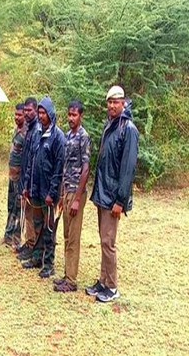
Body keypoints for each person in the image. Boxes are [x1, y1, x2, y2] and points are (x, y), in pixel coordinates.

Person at [85, 86, 139, 303]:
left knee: (109, 242)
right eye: (109, 102)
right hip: (103, 194)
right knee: (103, 240)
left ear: (124, 103)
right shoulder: (111, 126)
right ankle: (103, 281)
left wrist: (120, 201)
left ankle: (113, 287)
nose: (112, 105)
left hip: (114, 197)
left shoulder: (129, 129)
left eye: (116, 102)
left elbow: (127, 169)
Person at [22, 96, 65, 278]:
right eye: (39, 112)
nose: (40, 116)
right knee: (37, 225)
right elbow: (31, 161)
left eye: (43, 112)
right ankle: (37, 257)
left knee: (49, 229)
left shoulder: (58, 137)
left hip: (49, 192)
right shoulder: (37, 133)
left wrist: (52, 192)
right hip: (36, 189)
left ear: (51, 114)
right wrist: (27, 186)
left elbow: (59, 168)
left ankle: (49, 264)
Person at [54, 100, 92, 293]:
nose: (71, 118)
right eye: (69, 114)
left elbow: (86, 169)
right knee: (67, 235)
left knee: (74, 237)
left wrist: (77, 198)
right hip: (66, 190)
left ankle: (72, 280)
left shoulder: (84, 137)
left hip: (77, 191)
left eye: (74, 115)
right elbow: (65, 166)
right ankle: (67, 274)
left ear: (80, 116)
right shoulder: (68, 135)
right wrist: (62, 194)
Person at [17, 97, 42, 262]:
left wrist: (28, 183)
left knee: (33, 216)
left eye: (29, 110)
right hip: (25, 177)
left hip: (33, 181)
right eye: (24, 110)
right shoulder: (29, 128)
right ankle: (29, 241)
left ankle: (33, 245)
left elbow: (35, 159)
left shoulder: (37, 130)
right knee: (27, 214)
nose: (26, 113)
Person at [3, 103, 26, 246]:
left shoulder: (26, 133)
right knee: (10, 206)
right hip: (12, 177)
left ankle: (16, 240)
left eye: (19, 115)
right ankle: (8, 236)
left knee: (18, 208)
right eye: (15, 114)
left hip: (20, 178)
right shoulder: (16, 131)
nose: (16, 117)